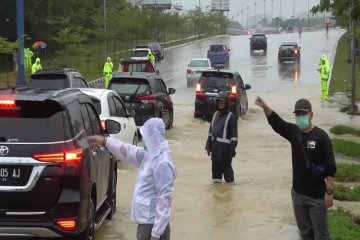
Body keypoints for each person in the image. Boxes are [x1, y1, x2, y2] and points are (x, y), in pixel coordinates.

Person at [255, 97, 336, 240]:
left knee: (322, 235)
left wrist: (329, 193)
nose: (300, 117)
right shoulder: (294, 132)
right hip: (298, 195)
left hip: (317, 197)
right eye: (297, 114)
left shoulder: (321, 136)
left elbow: (331, 168)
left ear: (311, 114)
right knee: (305, 234)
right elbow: (277, 123)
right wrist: (265, 107)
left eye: (303, 114)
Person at [87, 118, 176, 240]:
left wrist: (156, 234)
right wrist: (104, 141)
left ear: (153, 137)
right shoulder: (150, 155)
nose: (143, 140)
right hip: (146, 223)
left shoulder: (162, 162)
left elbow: (165, 200)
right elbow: (127, 151)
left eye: (146, 136)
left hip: (152, 226)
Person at [205, 91, 238, 184]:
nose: (220, 103)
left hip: (225, 153)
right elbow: (211, 132)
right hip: (215, 152)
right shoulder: (215, 115)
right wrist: (208, 145)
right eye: (219, 102)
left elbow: (234, 137)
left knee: (229, 180)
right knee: (215, 179)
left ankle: (229, 196)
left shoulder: (231, 117)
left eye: (222, 102)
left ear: (226, 103)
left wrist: (232, 151)